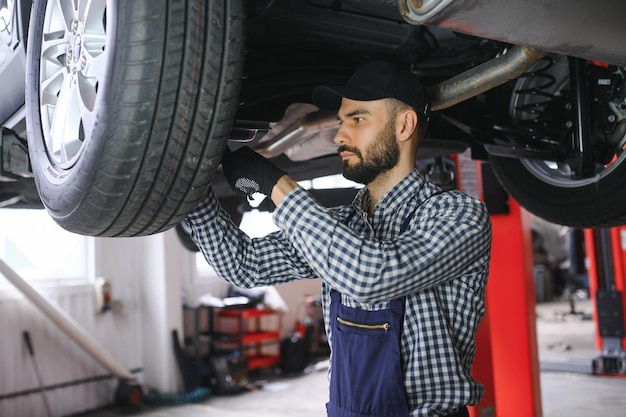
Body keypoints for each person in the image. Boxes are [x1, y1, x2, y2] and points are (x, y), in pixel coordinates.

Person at [187, 61, 492, 417]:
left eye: (358, 120)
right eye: (341, 121)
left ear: (404, 125)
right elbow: (243, 264)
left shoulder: (457, 215)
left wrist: (278, 186)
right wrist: (191, 187)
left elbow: (372, 276)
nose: (338, 136)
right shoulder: (343, 226)